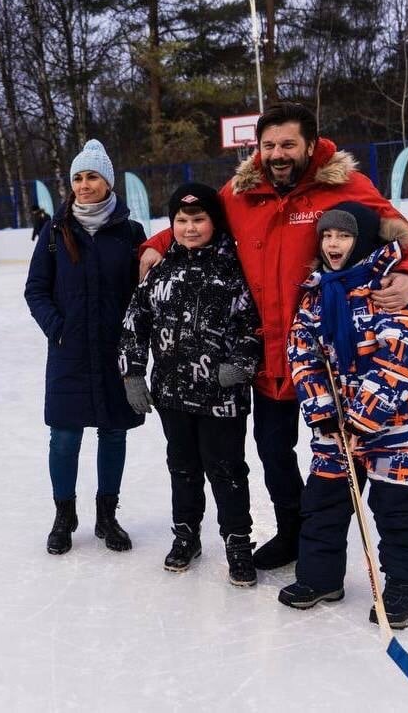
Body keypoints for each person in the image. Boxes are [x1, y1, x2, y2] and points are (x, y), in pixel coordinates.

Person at [139, 103, 408, 570]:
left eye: (288, 145)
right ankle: (293, 530)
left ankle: (346, 544)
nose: (277, 154)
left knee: (337, 450)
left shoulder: (345, 187)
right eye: (269, 145)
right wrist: (157, 246)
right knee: (273, 449)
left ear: (311, 145)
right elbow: (195, 218)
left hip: (328, 354)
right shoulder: (241, 191)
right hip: (270, 355)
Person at [279, 202, 408, 629]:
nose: (333, 244)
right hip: (335, 422)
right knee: (324, 501)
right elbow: (304, 356)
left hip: (398, 426)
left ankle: (405, 585)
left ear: (363, 239)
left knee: (397, 508)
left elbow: (404, 358)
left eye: (343, 236)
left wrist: (360, 421)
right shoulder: (316, 293)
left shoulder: (387, 288)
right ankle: (320, 577)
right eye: (327, 236)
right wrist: (327, 417)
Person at [119, 183, 262, 585]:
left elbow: (256, 323)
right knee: (182, 467)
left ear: (214, 221)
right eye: (182, 220)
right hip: (171, 391)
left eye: (199, 219)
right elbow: (135, 321)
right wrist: (132, 372)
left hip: (222, 396)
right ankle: (186, 534)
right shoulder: (161, 269)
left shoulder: (236, 268)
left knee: (227, 469)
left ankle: (237, 541)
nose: (190, 228)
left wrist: (241, 364)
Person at [25, 139, 147, 555]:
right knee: (64, 436)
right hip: (70, 351)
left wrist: (135, 338)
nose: (83, 184)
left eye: (92, 176)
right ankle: (65, 515)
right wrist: (57, 328)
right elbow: (36, 289)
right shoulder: (55, 231)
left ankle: (107, 515)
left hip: (115, 351)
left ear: (108, 182)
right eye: (77, 177)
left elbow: (142, 290)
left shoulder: (129, 232)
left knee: (114, 433)